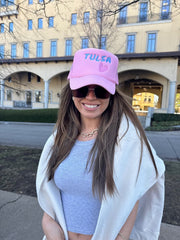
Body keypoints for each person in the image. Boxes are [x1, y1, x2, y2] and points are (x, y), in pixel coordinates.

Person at [36, 48, 165, 240]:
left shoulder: (127, 140)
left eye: (100, 90)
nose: (90, 97)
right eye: (81, 89)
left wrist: (121, 238)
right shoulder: (59, 139)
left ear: (112, 93)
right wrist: (50, 228)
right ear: (71, 91)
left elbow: (134, 192)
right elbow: (51, 199)